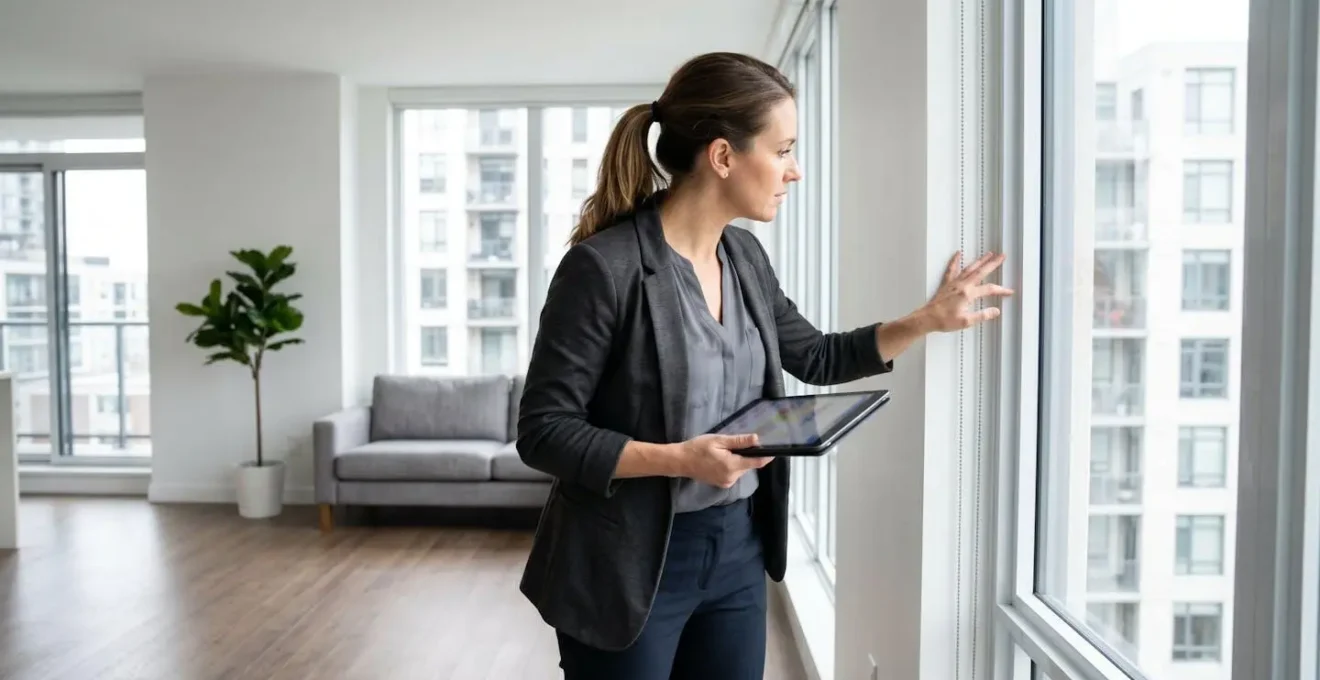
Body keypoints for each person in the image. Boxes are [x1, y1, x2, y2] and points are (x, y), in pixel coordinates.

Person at [515, 51, 1012, 680]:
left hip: (738, 551)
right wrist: (679, 459)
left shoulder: (744, 256)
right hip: (627, 563)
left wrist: (926, 319)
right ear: (723, 156)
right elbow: (544, 431)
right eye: (782, 151)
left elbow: (817, 356)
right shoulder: (603, 269)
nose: (793, 171)